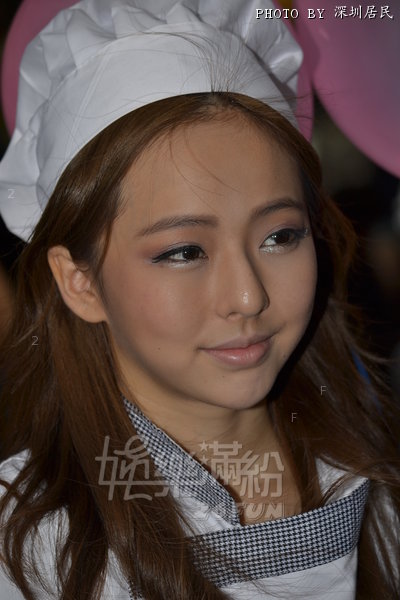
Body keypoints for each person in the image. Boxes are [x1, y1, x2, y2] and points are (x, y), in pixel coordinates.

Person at [0, 1, 399, 599]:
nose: (248, 296)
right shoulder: (28, 548)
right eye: (184, 251)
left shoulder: (375, 468)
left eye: (280, 237)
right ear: (80, 282)